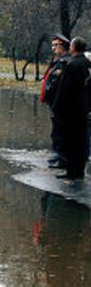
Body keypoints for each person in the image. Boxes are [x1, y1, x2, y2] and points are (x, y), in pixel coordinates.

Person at [52, 36, 91, 180]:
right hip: (84, 108)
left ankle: (71, 171)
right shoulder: (87, 63)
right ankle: (79, 170)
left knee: (70, 141)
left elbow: (64, 90)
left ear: (73, 48)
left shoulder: (72, 65)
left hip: (71, 110)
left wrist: (57, 107)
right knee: (81, 141)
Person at [41, 34, 71, 168]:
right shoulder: (57, 61)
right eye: (52, 45)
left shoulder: (65, 62)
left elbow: (56, 83)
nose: (53, 48)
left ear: (63, 46)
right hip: (54, 101)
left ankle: (62, 157)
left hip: (59, 102)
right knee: (56, 130)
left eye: (56, 45)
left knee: (60, 131)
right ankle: (58, 154)